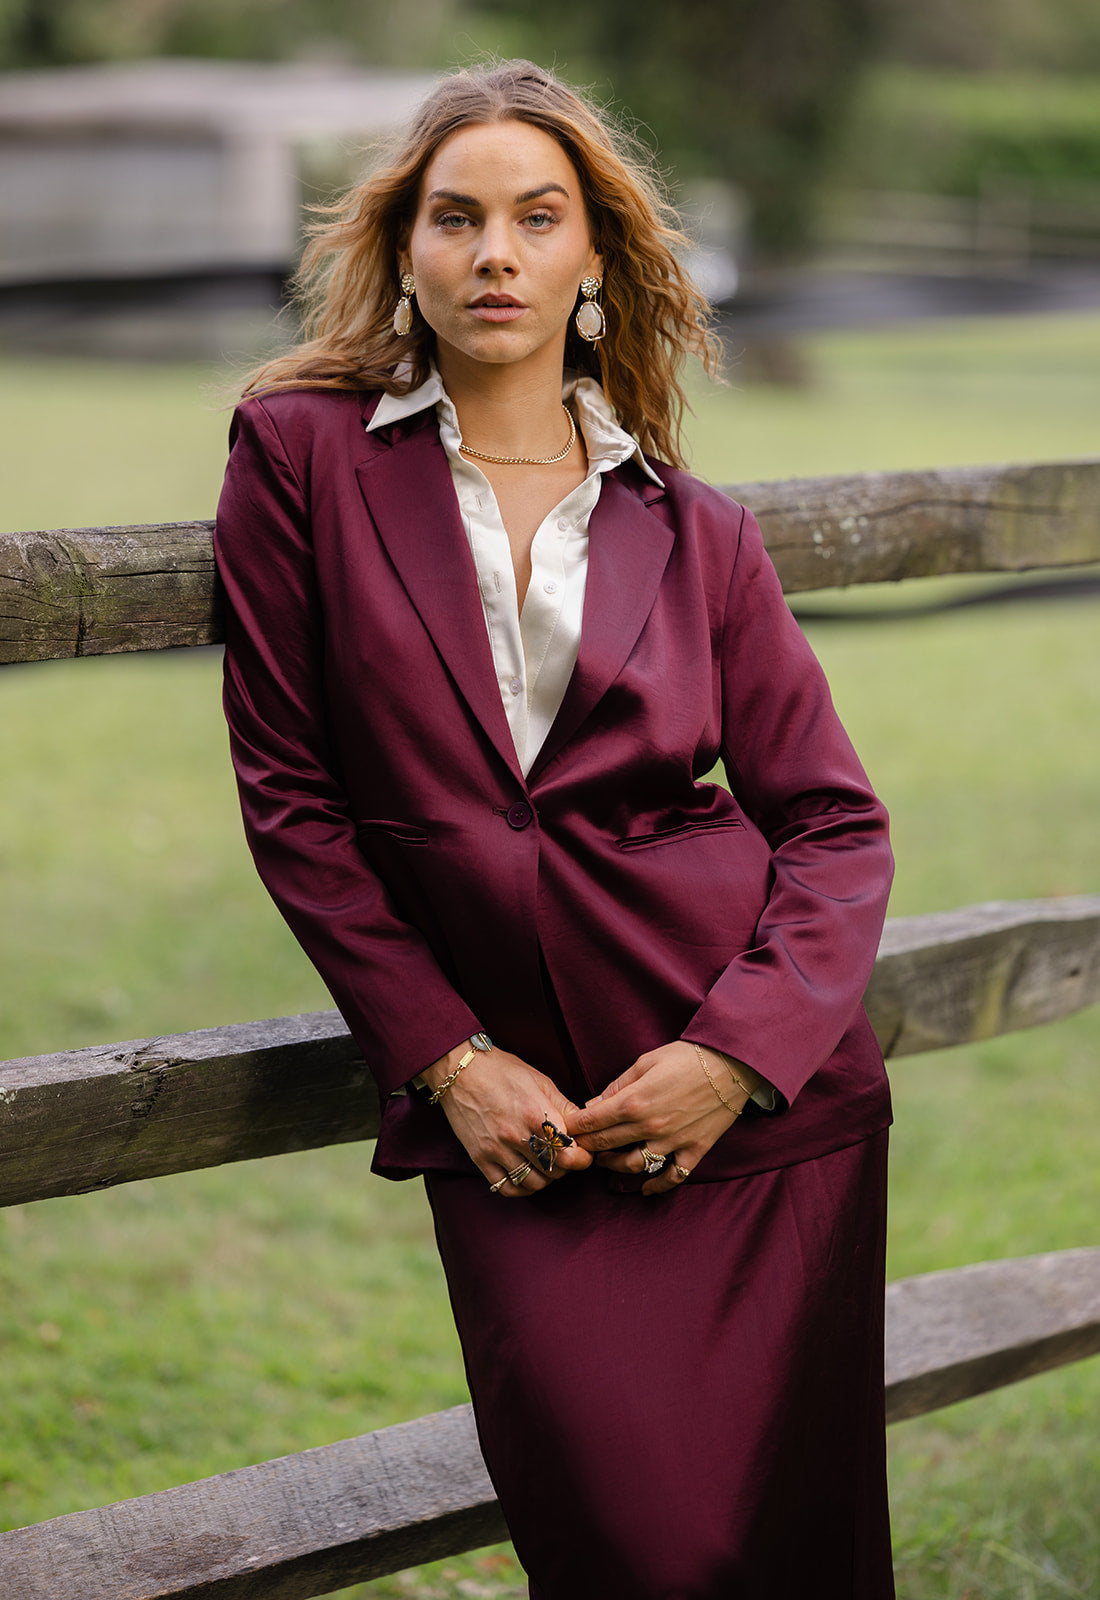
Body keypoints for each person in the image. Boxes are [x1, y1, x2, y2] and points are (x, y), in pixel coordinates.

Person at [214, 59, 896, 1600]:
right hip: (520, 1126)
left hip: (753, 1109)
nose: (496, 254)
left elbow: (837, 823)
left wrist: (734, 1056)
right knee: (631, 1546)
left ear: (596, 257)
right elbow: (294, 800)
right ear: (406, 248)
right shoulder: (303, 458)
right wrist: (450, 1062)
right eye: (456, 219)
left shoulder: (693, 526)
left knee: (792, 1547)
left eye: (538, 218)